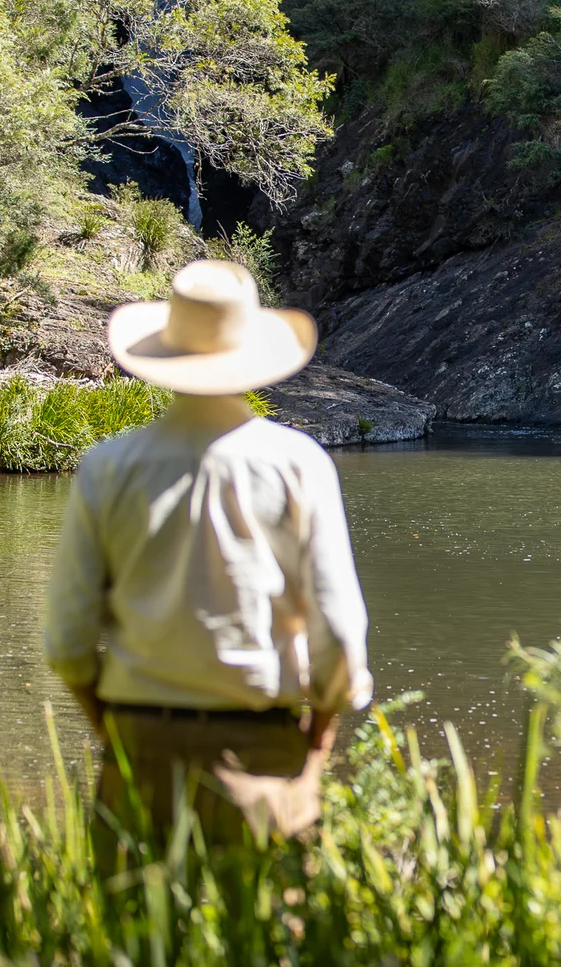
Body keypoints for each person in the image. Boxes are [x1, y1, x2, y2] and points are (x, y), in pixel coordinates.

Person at [42, 259, 372, 851]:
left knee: (136, 941)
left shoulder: (107, 466)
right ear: (253, 356)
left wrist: (112, 731)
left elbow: (67, 643)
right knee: (266, 939)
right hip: (263, 753)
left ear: (165, 355)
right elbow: (341, 633)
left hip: (138, 748)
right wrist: (316, 745)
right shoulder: (299, 464)